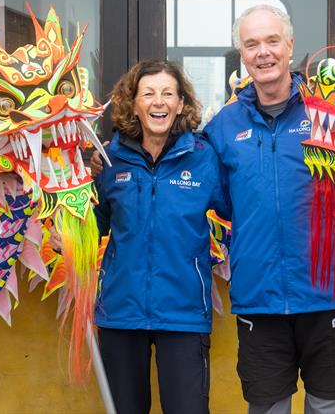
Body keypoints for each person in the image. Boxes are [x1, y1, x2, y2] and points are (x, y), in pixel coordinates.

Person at [203, 5, 335, 414]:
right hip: (259, 301)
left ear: (289, 45)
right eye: (251, 44)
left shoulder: (334, 114)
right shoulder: (223, 128)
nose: (262, 53)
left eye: (271, 41)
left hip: (331, 296)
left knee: (330, 407)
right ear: (242, 55)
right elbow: (213, 197)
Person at [91, 60, 228, 414]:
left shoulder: (204, 158)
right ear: (133, 104)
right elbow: (94, 225)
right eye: (148, 93)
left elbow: (238, 210)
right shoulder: (109, 161)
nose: (159, 102)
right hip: (121, 314)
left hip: (183, 314)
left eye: (168, 93)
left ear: (181, 104)